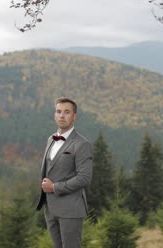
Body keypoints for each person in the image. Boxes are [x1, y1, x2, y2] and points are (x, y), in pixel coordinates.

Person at [36, 97, 93, 248]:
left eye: (67, 112)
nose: (62, 115)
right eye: (58, 111)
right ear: (54, 115)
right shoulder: (51, 140)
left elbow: (84, 178)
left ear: (74, 116)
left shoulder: (82, 144)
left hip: (71, 210)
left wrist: (54, 187)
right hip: (51, 209)